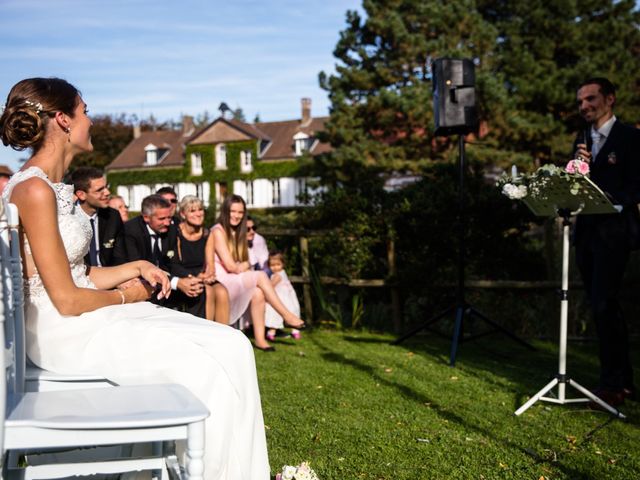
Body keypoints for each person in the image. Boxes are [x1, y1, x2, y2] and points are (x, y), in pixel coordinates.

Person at [0, 77, 269, 479]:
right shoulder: (34, 191)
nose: (89, 119)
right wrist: (129, 297)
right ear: (63, 120)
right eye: (85, 110)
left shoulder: (54, 187)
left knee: (233, 343)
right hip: (63, 333)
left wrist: (137, 267)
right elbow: (67, 298)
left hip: (82, 317)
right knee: (210, 363)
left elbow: (77, 270)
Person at [573, 77, 640, 406]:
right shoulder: (581, 139)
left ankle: (613, 384)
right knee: (602, 307)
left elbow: (637, 186)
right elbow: (576, 185)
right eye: (580, 102)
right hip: (585, 234)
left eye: (590, 99)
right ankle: (621, 380)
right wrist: (577, 172)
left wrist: (613, 198)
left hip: (614, 234)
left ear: (610, 99)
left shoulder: (630, 138)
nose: (584, 106)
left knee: (604, 303)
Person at [205, 195, 304, 351]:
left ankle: (260, 339)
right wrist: (246, 264)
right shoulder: (218, 231)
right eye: (233, 211)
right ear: (225, 211)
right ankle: (286, 315)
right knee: (260, 275)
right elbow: (232, 266)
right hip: (221, 279)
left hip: (234, 277)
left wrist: (243, 265)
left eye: (240, 212)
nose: (237, 216)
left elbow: (240, 263)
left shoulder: (238, 231)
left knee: (258, 293)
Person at [117, 195, 207, 307]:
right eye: (161, 219)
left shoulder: (171, 229)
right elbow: (138, 268)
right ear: (146, 217)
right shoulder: (131, 231)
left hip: (166, 281)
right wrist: (177, 283)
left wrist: (190, 278)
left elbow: (172, 263)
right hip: (140, 282)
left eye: (169, 218)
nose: (167, 223)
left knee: (197, 289)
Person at [171, 195, 229, 322]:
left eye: (200, 209)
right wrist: (195, 277)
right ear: (183, 214)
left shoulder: (207, 234)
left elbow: (210, 265)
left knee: (222, 291)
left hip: (202, 276)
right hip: (183, 276)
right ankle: (206, 334)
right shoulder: (176, 232)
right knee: (207, 291)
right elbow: (174, 264)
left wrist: (209, 275)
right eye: (192, 210)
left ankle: (224, 335)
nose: (198, 214)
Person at [71, 166, 125, 267]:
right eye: (100, 190)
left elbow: (120, 256)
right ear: (81, 195)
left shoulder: (113, 216)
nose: (107, 192)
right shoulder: (67, 219)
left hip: (110, 276)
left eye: (106, 187)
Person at [265, 251, 302, 342]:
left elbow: (270, 286)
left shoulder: (278, 275)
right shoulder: (281, 272)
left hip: (282, 298)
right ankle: (275, 331)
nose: (275, 267)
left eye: (278, 264)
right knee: (284, 312)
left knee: (275, 313)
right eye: (272, 265)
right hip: (285, 297)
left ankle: (272, 332)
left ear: (283, 263)